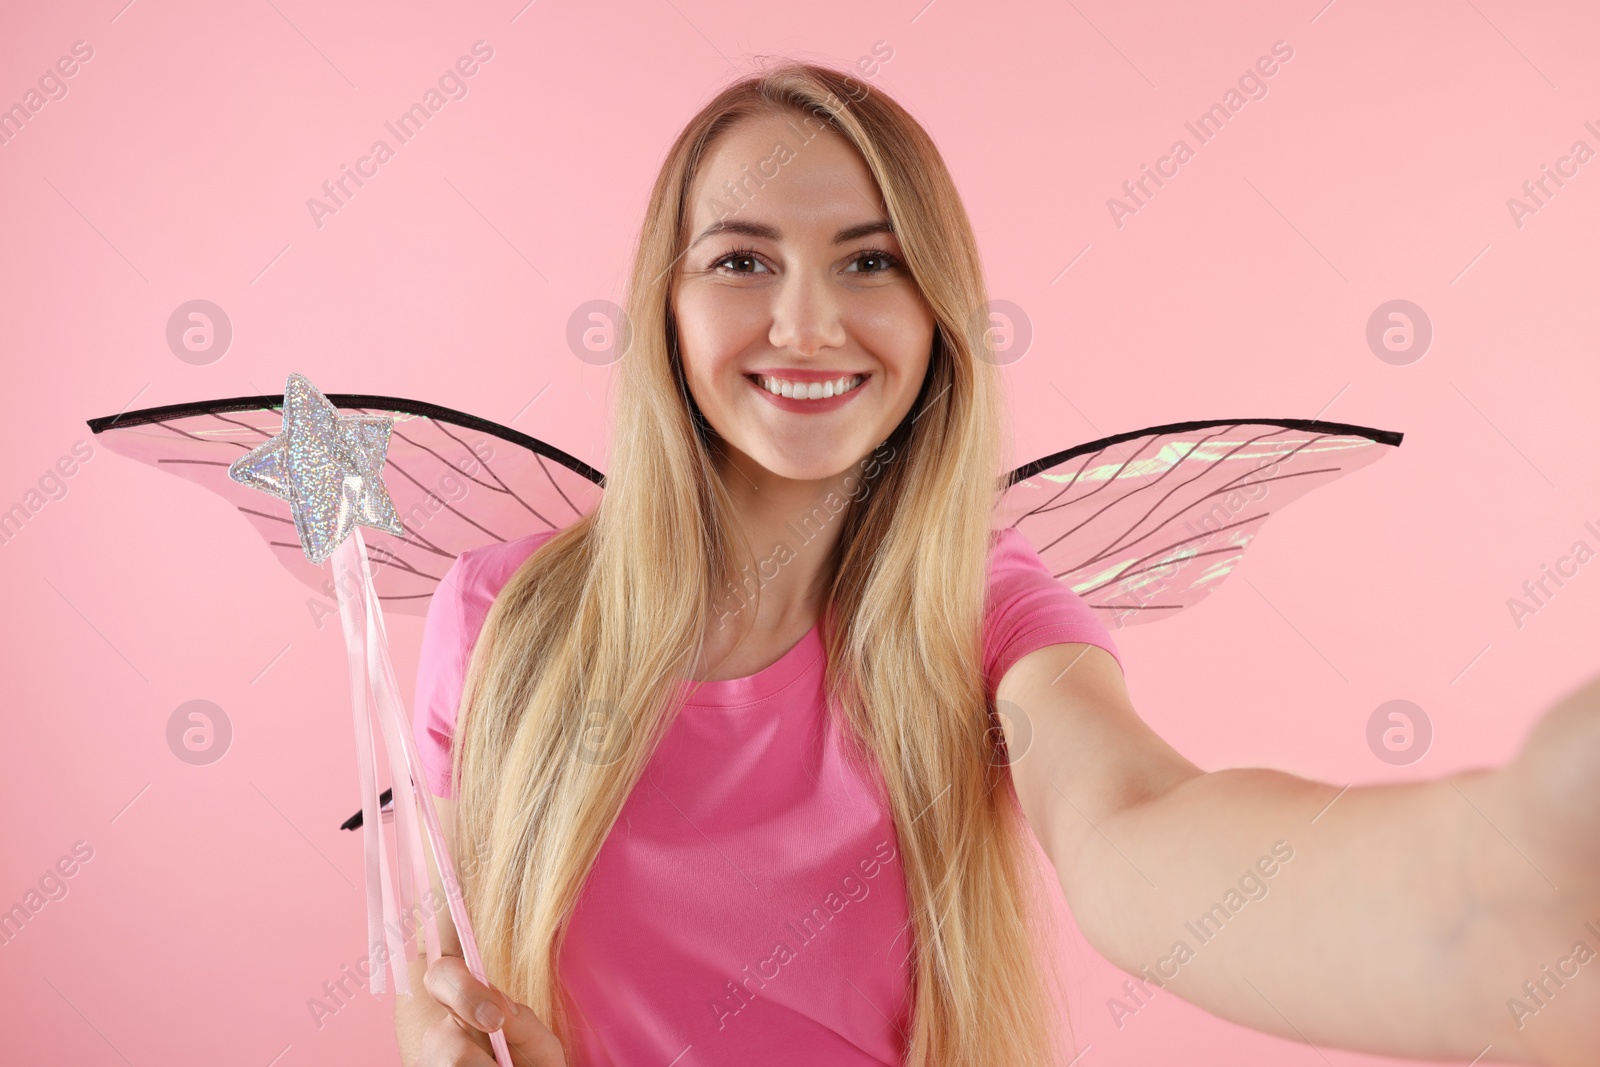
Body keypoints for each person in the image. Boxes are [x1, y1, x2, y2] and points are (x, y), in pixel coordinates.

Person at [393, 61, 1600, 1067]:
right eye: (742, 260)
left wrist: (1487, 878)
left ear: (938, 314)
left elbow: (1137, 817)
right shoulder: (501, 618)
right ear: (665, 306)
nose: (806, 322)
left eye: (870, 261)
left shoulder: (982, 607)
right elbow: (456, 965)